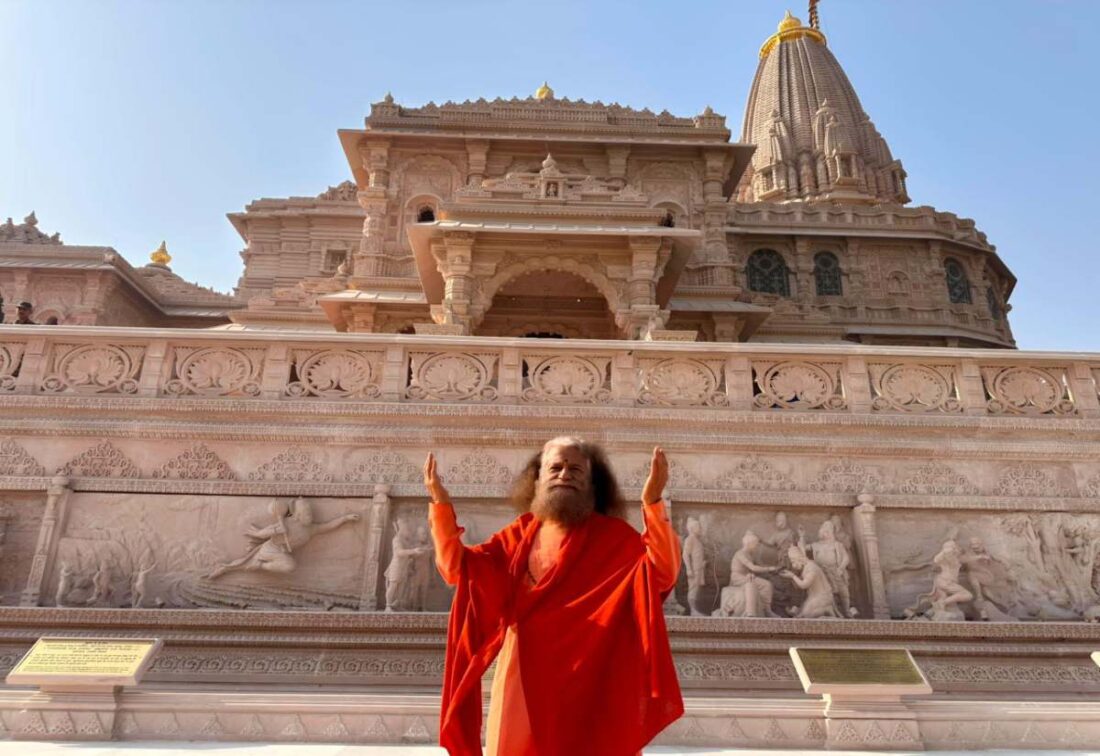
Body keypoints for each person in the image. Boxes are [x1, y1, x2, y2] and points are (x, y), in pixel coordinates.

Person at [424, 438, 682, 756]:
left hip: (594, 675)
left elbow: (661, 573)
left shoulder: (614, 537)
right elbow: (458, 570)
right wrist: (440, 509)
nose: (564, 474)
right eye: (555, 467)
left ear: (592, 483)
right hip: (523, 677)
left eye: (576, 469)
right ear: (538, 479)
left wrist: (653, 503)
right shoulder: (518, 535)